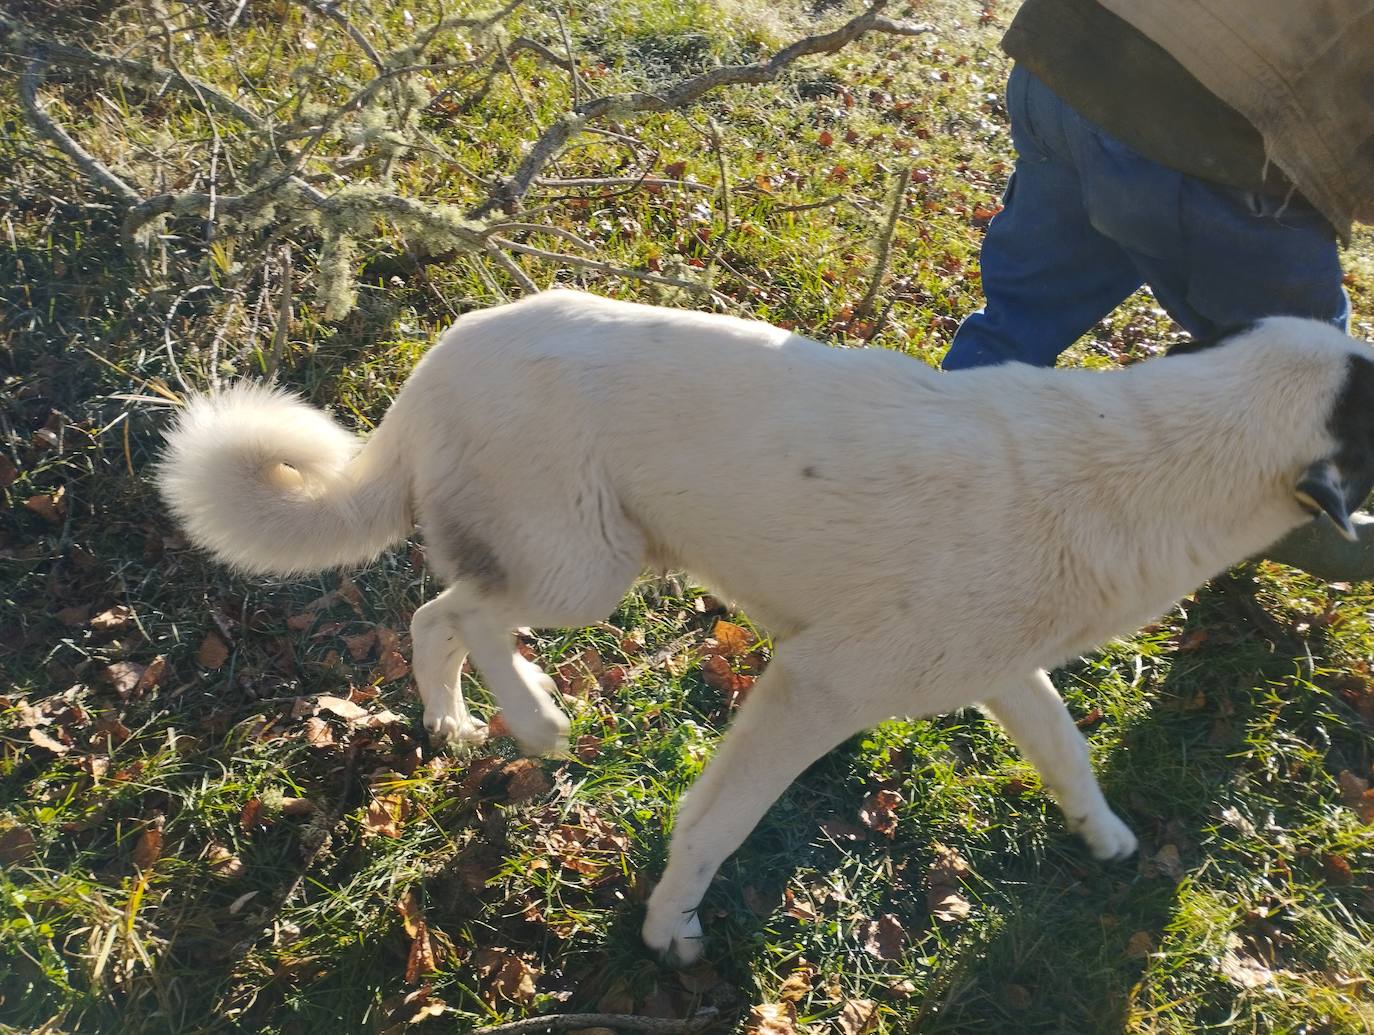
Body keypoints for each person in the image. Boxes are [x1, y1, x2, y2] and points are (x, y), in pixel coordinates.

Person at [945, 0, 1374, 581]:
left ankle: (927, 466)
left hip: (1066, 58)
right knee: (1312, 369)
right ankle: (1293, 519)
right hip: (1210, 135)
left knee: (1021, 315)